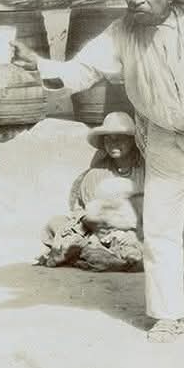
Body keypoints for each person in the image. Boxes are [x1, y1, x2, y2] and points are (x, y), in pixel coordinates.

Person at [13, 0, 184, 351]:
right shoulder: (121, 31)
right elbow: (81, 71)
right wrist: (38, 67)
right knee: (160, 226)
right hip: (161, 134)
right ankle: (167, 316)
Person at [40, 112, 145, 271]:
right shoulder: (96, 174)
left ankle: (111, 254)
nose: (113, 143)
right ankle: (97, 252)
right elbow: (85, 210)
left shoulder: (146, 171)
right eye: (108, 139)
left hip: (138, 230)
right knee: (58, 223)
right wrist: (91, 221)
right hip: (102, 232)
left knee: (135, 246)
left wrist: (133, 230)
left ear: (132, 140)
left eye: (120, 138)